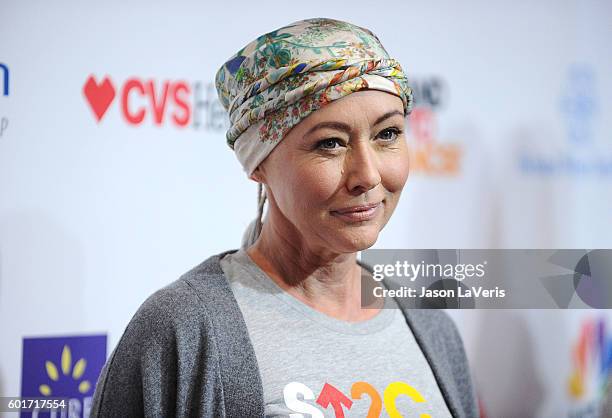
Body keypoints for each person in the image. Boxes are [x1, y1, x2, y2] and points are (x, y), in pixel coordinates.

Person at [91, 17, 478, 417]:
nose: (368, 175)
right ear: (259, 163)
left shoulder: (430, 327)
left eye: (387, 134)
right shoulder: (184, 329)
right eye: (330, 143)